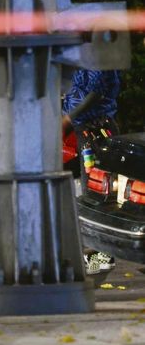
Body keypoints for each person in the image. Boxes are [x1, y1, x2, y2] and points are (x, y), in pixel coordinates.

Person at [62, 69, 121, 276]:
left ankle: (102, 256)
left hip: (97, 128)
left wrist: (68, 119)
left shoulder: (98, 56)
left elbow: (97, 91)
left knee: (100, 193)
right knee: (93, 192)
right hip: (87, 129)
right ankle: (99, 255)